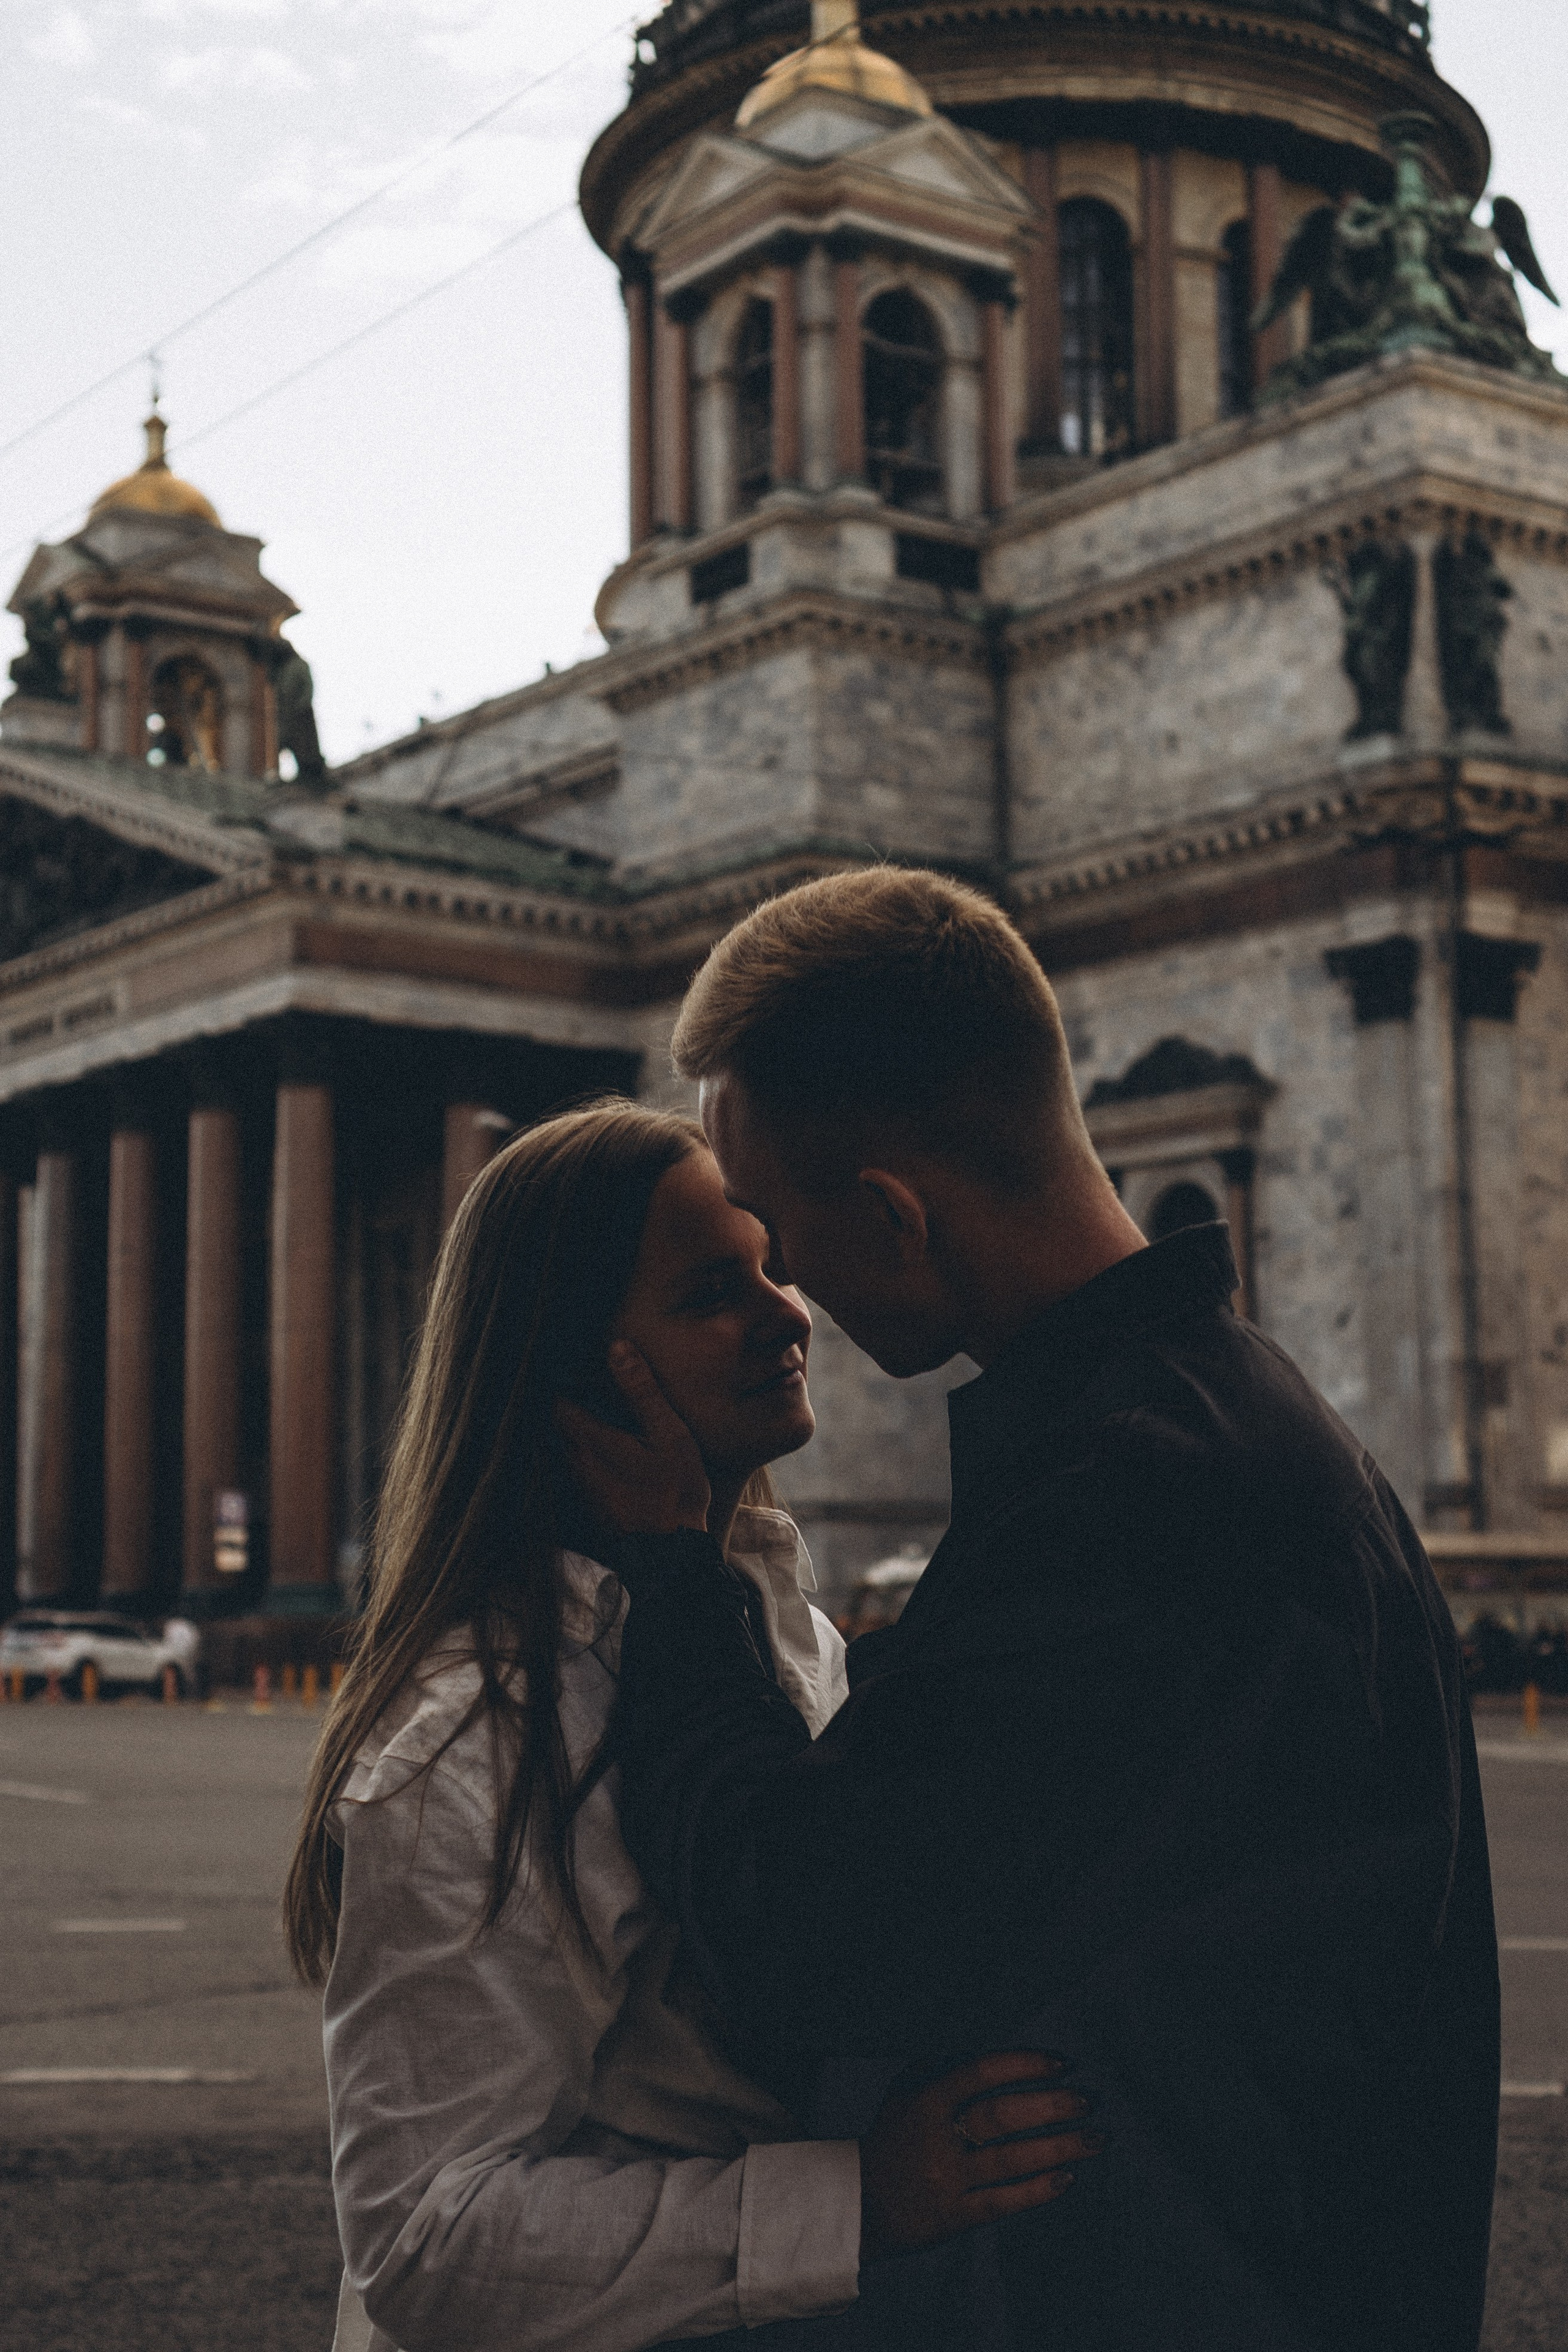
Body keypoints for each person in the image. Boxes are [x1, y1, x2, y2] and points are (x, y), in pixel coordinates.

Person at [564, 870, 1502, 2352]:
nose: (788, 1288)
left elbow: (801, 1931)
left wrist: (673, 1566)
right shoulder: (1220, 1431)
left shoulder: (1134, 1502)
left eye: (779, 1226)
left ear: (890, 1212)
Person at [284, 1101, 1102, 2352]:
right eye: (715, 1289)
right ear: (575, 1367)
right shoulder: (468, 1742)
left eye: (773, 1261)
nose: (789, 1310)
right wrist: (860, 2201)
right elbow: (424, 2241)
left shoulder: (775, 1633)